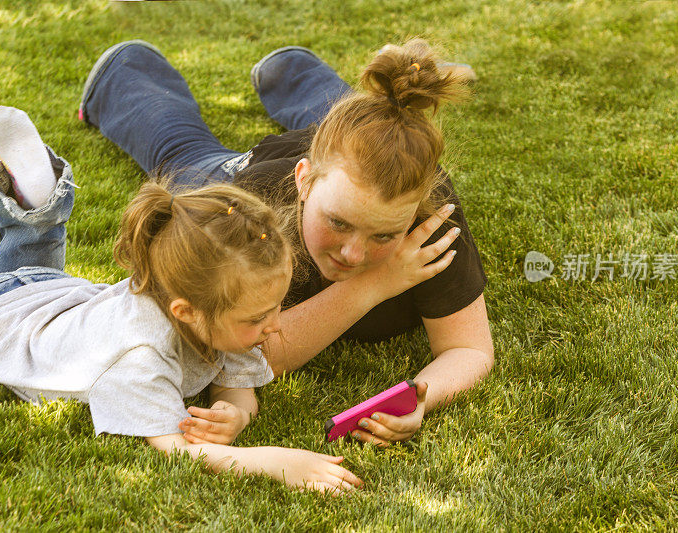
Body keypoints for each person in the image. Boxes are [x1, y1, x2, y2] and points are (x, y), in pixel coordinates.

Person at [78, 39, 494, 447]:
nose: (353, 253)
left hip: (332, 157)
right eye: (337, 222)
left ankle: (287, 66)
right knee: (185, 154)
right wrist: (373, 284)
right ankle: (125, 66)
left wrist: (419, 399)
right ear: (304, 181)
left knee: (371, 118)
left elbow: (469, 348)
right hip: (251, 175)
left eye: (383, 235)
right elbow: (248, 356)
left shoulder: (429, 216)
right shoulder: (249, 213)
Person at [0, 107, 362, 495]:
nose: (274, 325)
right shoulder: (141, 354)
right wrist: (276, 463)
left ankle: (37, 198)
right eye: (260, 317)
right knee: (12, 280)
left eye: (275, 307)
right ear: (186, 312)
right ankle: (37, 206)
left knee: (34, 266)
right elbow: (175, 448)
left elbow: (239, 389)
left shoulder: (227, 314)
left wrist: (235, 413)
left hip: (54, 296)